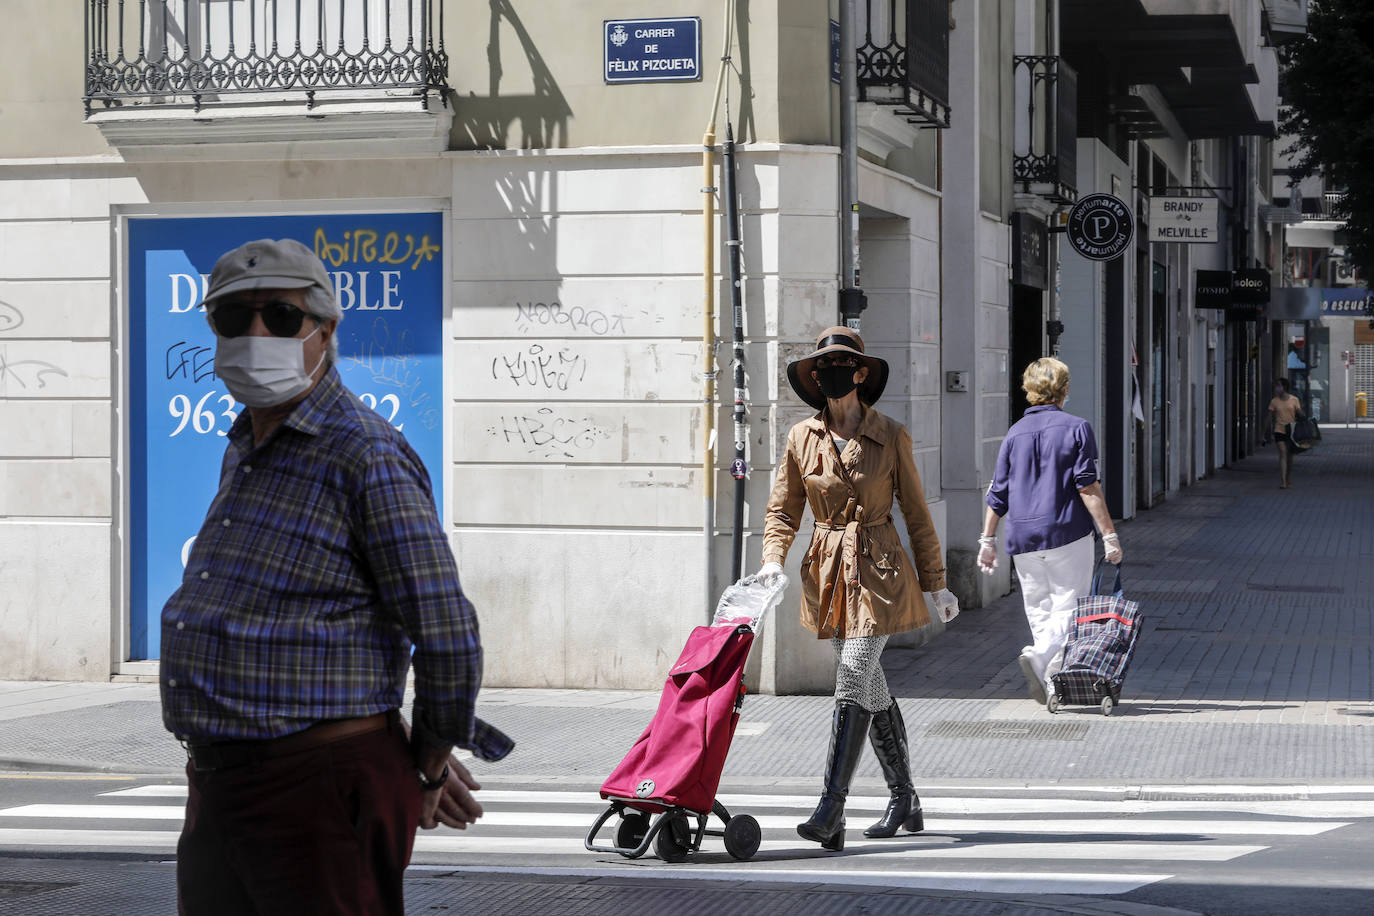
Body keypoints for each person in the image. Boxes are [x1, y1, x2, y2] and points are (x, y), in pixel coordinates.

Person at [159, 238, 512, 916]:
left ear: (326, 330)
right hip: (224, 788)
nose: (257, 333)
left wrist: (427, 764)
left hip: (313, 795)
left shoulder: (364, 452)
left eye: (282, 318)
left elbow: (445, 631)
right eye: (235, 319)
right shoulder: (246, 448)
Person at [756, 326, 960, 852]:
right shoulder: (802, 437)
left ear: (861, 372)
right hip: (827, 570)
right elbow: (783, 509)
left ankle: (831, 807)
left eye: (842, 364)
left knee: (851, 674)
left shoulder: (891, 434)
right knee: (870, 684)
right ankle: (905, 797)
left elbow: (916, 513)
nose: (831, 373)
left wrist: (936, 584)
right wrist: (772, 562)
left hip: (881, 569)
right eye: (822, 366)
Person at [977, 357, 1123, 706]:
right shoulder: (1077, 428)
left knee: (1040, 610)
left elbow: (998, 492)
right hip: (1066, 532)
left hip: (1022, 537)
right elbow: (1087, 487)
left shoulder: (1014, 433)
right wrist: (1110, 535)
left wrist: (987, 540)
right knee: (1068, 608)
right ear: (1065, 389)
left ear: (1029, 391)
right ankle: (1042, 658)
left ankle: (1051, 682)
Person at [1264, 377, 1305, 489]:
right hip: (1279, 430)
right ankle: (1283, 481)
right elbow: (1268, 417)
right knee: (1283, 453)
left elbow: (1300, 413)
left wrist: (1302, 415)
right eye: (1276, 386)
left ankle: (1288, 478)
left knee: (1290, 457)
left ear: (1285, 387)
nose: (1277, 388)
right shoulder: (1274, 401)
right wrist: (1264, 432)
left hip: (1291, 431)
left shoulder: (1294, 400)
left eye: (1279, 385)